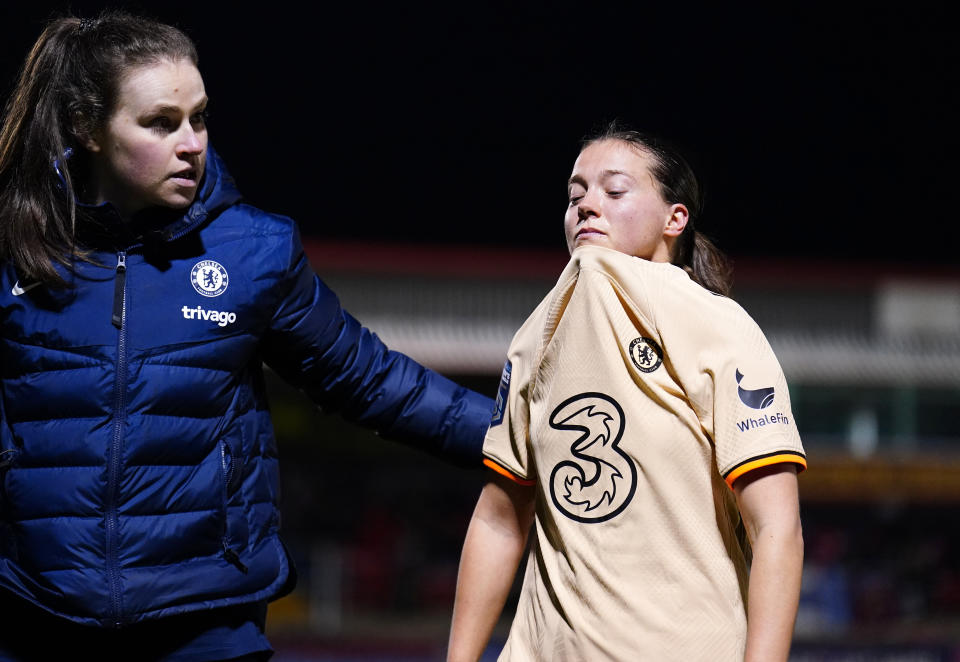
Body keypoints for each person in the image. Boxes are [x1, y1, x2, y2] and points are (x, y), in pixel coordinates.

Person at [0, 12, 494, 662]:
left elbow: (371, 381)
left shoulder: (253, 252)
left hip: (208, 628)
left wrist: (529, 434)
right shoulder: (14, 248)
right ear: (88, 129)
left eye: (199, 117)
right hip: (34, 624)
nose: (191, 142)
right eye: (161, 122)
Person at [447, 126, 806, 662]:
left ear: (674, 219)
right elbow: (498, 519)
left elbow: (776, 526)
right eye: (575, 196)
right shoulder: (533, 338)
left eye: (613, 192)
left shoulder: (721, 326)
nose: (587, 206)